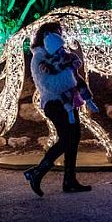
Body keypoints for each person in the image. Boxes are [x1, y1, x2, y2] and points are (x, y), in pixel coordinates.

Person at [24, 21, 96, 197]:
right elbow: (51, 85)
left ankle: (69, 180)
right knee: (66, 139)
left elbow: (74, 75)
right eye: (57, 33)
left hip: (69, 102)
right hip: (54, 104)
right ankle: (37, 172)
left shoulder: (61, 55)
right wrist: (69, 73)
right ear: (47, 36)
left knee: (74, 137)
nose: (60, 36)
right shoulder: (39, 59)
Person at [43, 32, 99, 124]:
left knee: (82, 86)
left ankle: (89, 101)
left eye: (61, 47)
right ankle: (70, 113)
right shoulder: (52, 61)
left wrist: (75, 64)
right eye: (58, 49)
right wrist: (48, 69)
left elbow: (77, 61)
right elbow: (50, 69)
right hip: (64, 82)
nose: (61, 50)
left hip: (74, 77)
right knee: (66, 96)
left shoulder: (69, 56)